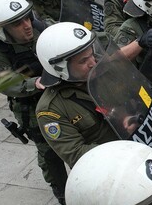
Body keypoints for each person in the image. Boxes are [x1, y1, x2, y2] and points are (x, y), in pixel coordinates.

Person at [0, 0, 68, 205]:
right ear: (2, 29)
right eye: (17, 24)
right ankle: (60, 188)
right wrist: (35, 83)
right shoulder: (0, 50)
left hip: (61, 90)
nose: (27, 26)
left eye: (27, 18)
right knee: (48, 148)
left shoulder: (40, 28)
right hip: (30, 103)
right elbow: (5, 83)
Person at [34, 22, 119, 168]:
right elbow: (75, 154)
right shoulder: (50, 110)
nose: (93, 63)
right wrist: (122, 150)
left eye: (92, 55)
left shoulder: (100, 76)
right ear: (61, 68)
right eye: (83, 61)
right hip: (108, 166)